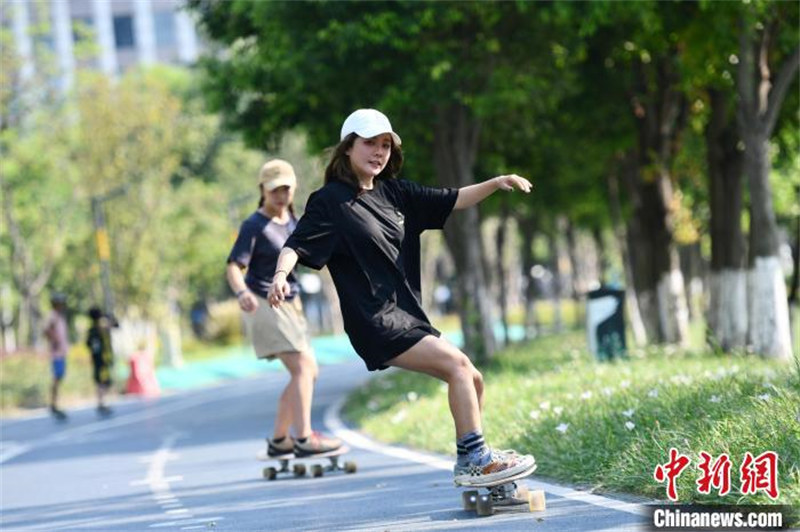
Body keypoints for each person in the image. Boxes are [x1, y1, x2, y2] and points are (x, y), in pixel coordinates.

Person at [268, 108, 535, 485]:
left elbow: (454, 198)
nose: (379, 153)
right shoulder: (329, 201)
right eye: (370, 144)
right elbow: (295, 244)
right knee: (458, 368)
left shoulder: (397, 193)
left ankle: (473, 454)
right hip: (374, 319)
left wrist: (497, 181)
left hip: (407, 315)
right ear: (348, 148)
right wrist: (281, 275)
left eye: (385, 146)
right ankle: (476, 459)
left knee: (472, 379)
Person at [226, 159, 342, 458]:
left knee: (308, 372)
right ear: (263, 190)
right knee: (302, 369)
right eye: (275, 189)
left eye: (286, 189)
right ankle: (303, 437)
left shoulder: (293, 221)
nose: (281, 195)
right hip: (264, 301)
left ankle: (280, 439)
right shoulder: (254, 225)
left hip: (293, 302)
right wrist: (241, 292)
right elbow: (234, 266)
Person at [44, 293, 69, 421]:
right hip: (57, 353)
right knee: (56, 377)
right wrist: (55, 341)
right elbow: (46, 330)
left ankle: (55, 403)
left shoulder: (59, 316)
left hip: (61, 352)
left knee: (59, 378)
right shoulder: (53, 316)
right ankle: (53, 404)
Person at [87, 307, 114, 417]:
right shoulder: (97, 330)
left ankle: (101, 401)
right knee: (103, 381)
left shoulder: (97, 329)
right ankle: (101, 402)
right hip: (101, 360)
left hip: (101, 359)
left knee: (104, 381)